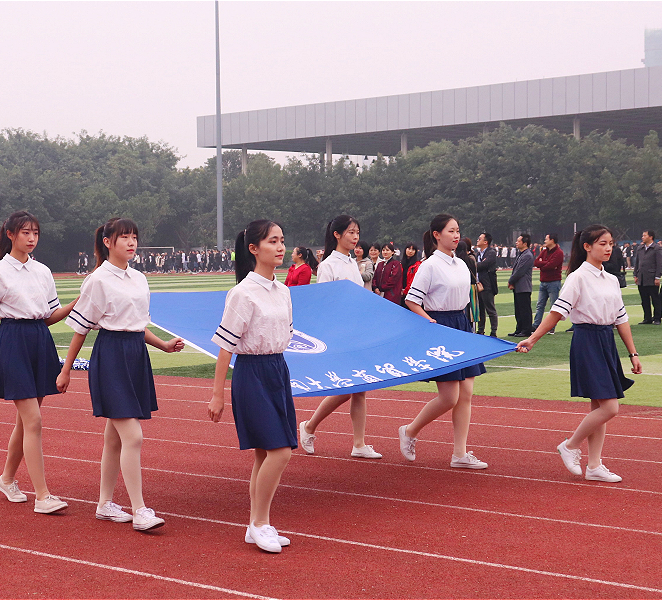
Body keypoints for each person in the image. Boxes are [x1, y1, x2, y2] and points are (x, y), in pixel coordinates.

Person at [57, 218, 183, 531]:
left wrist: (164, 346)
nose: (131, 242)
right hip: (111, 357)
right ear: (107, 242)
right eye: (124, 237)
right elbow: (81, 329)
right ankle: (140, 510)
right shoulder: (97, 280)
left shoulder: (139, 278)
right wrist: (66, 369)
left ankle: (105, 504)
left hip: (135, 356)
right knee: (133, 436)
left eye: (134, 237)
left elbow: (137, 326)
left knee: (114, 438)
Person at [0, 211, 76, 514]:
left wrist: (76, 303)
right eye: (25, 232)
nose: (31, 238)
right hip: (13, 341)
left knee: (25, 422)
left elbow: (49, 316)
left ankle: (7, 479)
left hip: (40, 340)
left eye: (35, 233)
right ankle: (43, 496)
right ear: (10, 234)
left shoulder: (43, 271)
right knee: (33, 420)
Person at [518, 224, 642, 482]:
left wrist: (633, 353)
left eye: (611, 244)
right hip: (586, 341)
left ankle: (594, 466)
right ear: (587, 246)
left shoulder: (611, 279)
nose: (608, 248)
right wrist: (533, 338)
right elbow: (557, 312)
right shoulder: (577, 277)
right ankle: (570, 445)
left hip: (606, 341)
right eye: (602, 244)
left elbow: (621, 319)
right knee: (610, 407)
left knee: (599, 405)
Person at [207, 219, 296, 554]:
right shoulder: (242, 293)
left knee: (265, 452)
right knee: (280, 451)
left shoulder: (284, 291)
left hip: (277, 371)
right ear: (254, 249)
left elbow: (286, 335)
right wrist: (217, 394)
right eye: (272, 241)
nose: (280, 247)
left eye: (282, 240)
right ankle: (259, 524)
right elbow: (225, 347)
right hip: (251, 373)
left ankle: (258, 524)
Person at [398, 213, 488, 469]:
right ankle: (410, 430)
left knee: (466, 394)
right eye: (451, 231)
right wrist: (429, 321)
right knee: (449, 397)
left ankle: (460, 454)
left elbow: (468, 298)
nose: (456, 235)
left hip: (462, 326)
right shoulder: (429, 266)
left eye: (458, 230)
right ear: (436, 235)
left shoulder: (461, 264)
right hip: (441, 327)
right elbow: (411, 300)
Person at [299, 215, 381, 459]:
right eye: (351, 232)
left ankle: (359, 444)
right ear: (337, 234)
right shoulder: (328, 265)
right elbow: (324, 303)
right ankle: (309, 426)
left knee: (360, 388)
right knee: (347, 388)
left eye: (357, 233)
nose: (356, 237)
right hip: (340, 333)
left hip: (357, 331)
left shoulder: (352, 263)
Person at [531, 234, 564, 335]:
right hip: (543, 281)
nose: (544, 241)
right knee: (540, 305)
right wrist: (546, 263)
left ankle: (551, 327)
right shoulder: (544, 251)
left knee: (553, 306)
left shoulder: (559, 253)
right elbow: (536, 262)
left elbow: (551, 265)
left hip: (553, 282)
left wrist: (543, 264)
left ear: (552, 240)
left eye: (546, 239)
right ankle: (536, 325)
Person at [634, 229, 662, 324]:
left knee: (655, 299)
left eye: (644, 235)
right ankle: (647, 318)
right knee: (644, 299)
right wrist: (635, 275)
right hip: (642, 277)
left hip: (651, 277)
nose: (642, 237)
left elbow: (659, 263)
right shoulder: (640, 248)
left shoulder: (656, 248)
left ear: (650, 237)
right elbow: (637, 263)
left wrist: (657, 277)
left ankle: (657, 318)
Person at [507, 234, 534, 337]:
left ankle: (526, 330)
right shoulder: (521, 254)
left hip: (524, 287)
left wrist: (511, 281)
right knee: (518, 310)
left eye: (518, 241)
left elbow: (519, 271)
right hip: (519, 286)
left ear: (525, 243)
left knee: (524, 310)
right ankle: (519, 329)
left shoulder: (527, 255)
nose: (516, 242)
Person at [475, 232, 499, 337]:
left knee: (490, 309)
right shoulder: (478, 254)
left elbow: (484, 265)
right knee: (480, 310)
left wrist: (474, 265)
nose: (477, 240)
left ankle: (493, 331)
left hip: (487, 285)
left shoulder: (491, 252)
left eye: (479, 239)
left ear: (486, 242)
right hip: (478, 284)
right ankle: (481, 330)